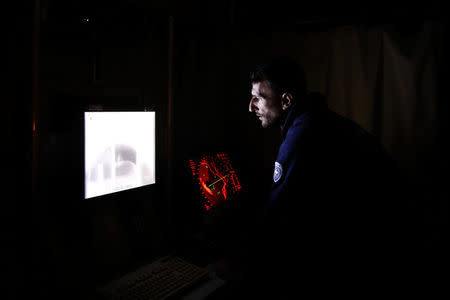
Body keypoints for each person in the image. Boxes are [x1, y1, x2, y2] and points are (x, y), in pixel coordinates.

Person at [232, 57, 413, 296]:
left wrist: (241, 263)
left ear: (286, 100)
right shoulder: (319, 119)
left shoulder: (302, 134)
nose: (251, 106)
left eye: (259, 97)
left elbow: (276, 215)